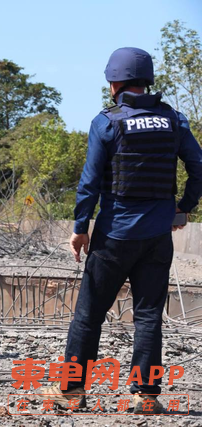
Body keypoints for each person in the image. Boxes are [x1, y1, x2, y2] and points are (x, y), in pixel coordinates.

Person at [41, 48, 202, 413]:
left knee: (88, 316)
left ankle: (71, 391)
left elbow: (89, 183)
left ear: (113, 83)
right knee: (148, 316)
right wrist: (183, 207)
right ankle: (146, 395)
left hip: (113, 237)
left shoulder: (107, 122)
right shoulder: (174, 120)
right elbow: (198, 168)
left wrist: (80, 228)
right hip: (157, 238)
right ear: (147, 81)